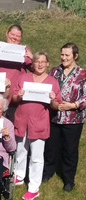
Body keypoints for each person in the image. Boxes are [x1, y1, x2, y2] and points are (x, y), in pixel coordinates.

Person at [12, 52, 61, 199]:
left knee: (37, 156)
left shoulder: (52, 81)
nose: (39, 64)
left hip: (39, 122)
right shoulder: (23, 78)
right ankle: (19, 176)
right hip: (22, 120)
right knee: (20, 150)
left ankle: (34, 187)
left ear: (47, 64)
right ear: (32, 63)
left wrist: (53, 99)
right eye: (37, 61)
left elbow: (56, 105)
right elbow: (14, 99)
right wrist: (19, 95)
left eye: (43, 62)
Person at [43, 43, 86, 192]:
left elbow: (85, 97)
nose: (64, 58)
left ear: (75, 56)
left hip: (73, 119)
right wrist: (52, 102)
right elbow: (47, 88)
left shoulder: (82, 74)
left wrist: (73, 105)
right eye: (62, 54)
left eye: (67, 55)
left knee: (70, 150)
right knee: (51, 148)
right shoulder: (55, 71)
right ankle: (47, 173)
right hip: (54, 117)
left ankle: (69, 180)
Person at [0, 24, 33, 121]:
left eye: (18, 36)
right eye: (12, 34)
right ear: (7, 33)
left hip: (15, 94)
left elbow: (35, 70)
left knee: (11, 125)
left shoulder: (25, 50)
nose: (14, 38)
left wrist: (32, 57)